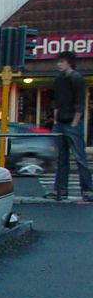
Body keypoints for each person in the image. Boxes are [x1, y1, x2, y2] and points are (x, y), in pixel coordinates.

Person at [45, 51, 93, 202]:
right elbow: (57, 101)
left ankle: (87, 190)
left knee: (79, 158)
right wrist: (56, 120)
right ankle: (60, 189)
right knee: (61, 159)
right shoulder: (59, 80)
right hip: (61, 122)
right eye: (58, 62)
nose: (59, 64)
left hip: (71, 123)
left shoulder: (76, 78)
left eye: (62, 62)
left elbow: (80, 103)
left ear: (69, 63)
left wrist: (74, 123)